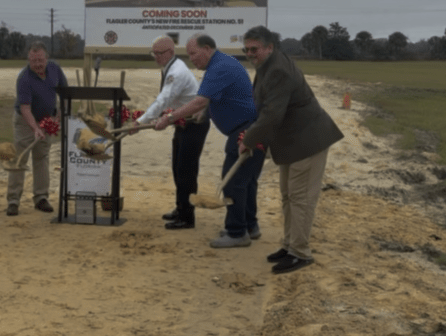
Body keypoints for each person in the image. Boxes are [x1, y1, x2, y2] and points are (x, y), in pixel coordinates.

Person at [240, 25, 344, 274]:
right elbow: (267, 110)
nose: (250, 54)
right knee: (288, 195)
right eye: (247, 49)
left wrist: (250, 140)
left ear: (269, 47)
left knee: (301, 199)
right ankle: (289, 245)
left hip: (308, 141)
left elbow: (272, 114)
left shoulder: (277, 70)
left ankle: (300, 253)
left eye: (255, 49)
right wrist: (255, 138)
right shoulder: (268, 64)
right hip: (291, 141)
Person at [154, 33, 264, 248]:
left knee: (233, 181)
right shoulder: (222, 63)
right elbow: (213, 99)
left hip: (246, 129)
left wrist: (169, 117)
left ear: (207, 48)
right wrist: (204, 113)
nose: (192, 59)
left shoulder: (219, 67)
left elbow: (199, 101)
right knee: (246, 180)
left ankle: (236, 232)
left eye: (194, 53)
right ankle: (250, 226)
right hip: (251, 127)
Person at [134, 35, 210, 230]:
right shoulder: (170, 67)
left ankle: (187, 216)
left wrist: (141, 121)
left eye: (159, 53)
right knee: (177, 167)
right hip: (182, 123)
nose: (156, 57)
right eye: (154, 53)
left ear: (170, 52)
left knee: (186, 171)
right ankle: (180, 207)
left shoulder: (176, 72)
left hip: (194, 124)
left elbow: (163, 100)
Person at [6, 41, 68, 216]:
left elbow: (65, 93)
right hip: (25, 121)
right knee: (20, 158)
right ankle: (13, 200)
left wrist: (58, 117)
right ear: (29, 60)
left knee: (42, 157)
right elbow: (25, 108)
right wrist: (35, 128)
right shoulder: (24, 78)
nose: (38, 65)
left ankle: (41, 197)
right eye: (33, 61)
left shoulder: (55, 69)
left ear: (47, 58)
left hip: (47, 118)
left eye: (40, 60)